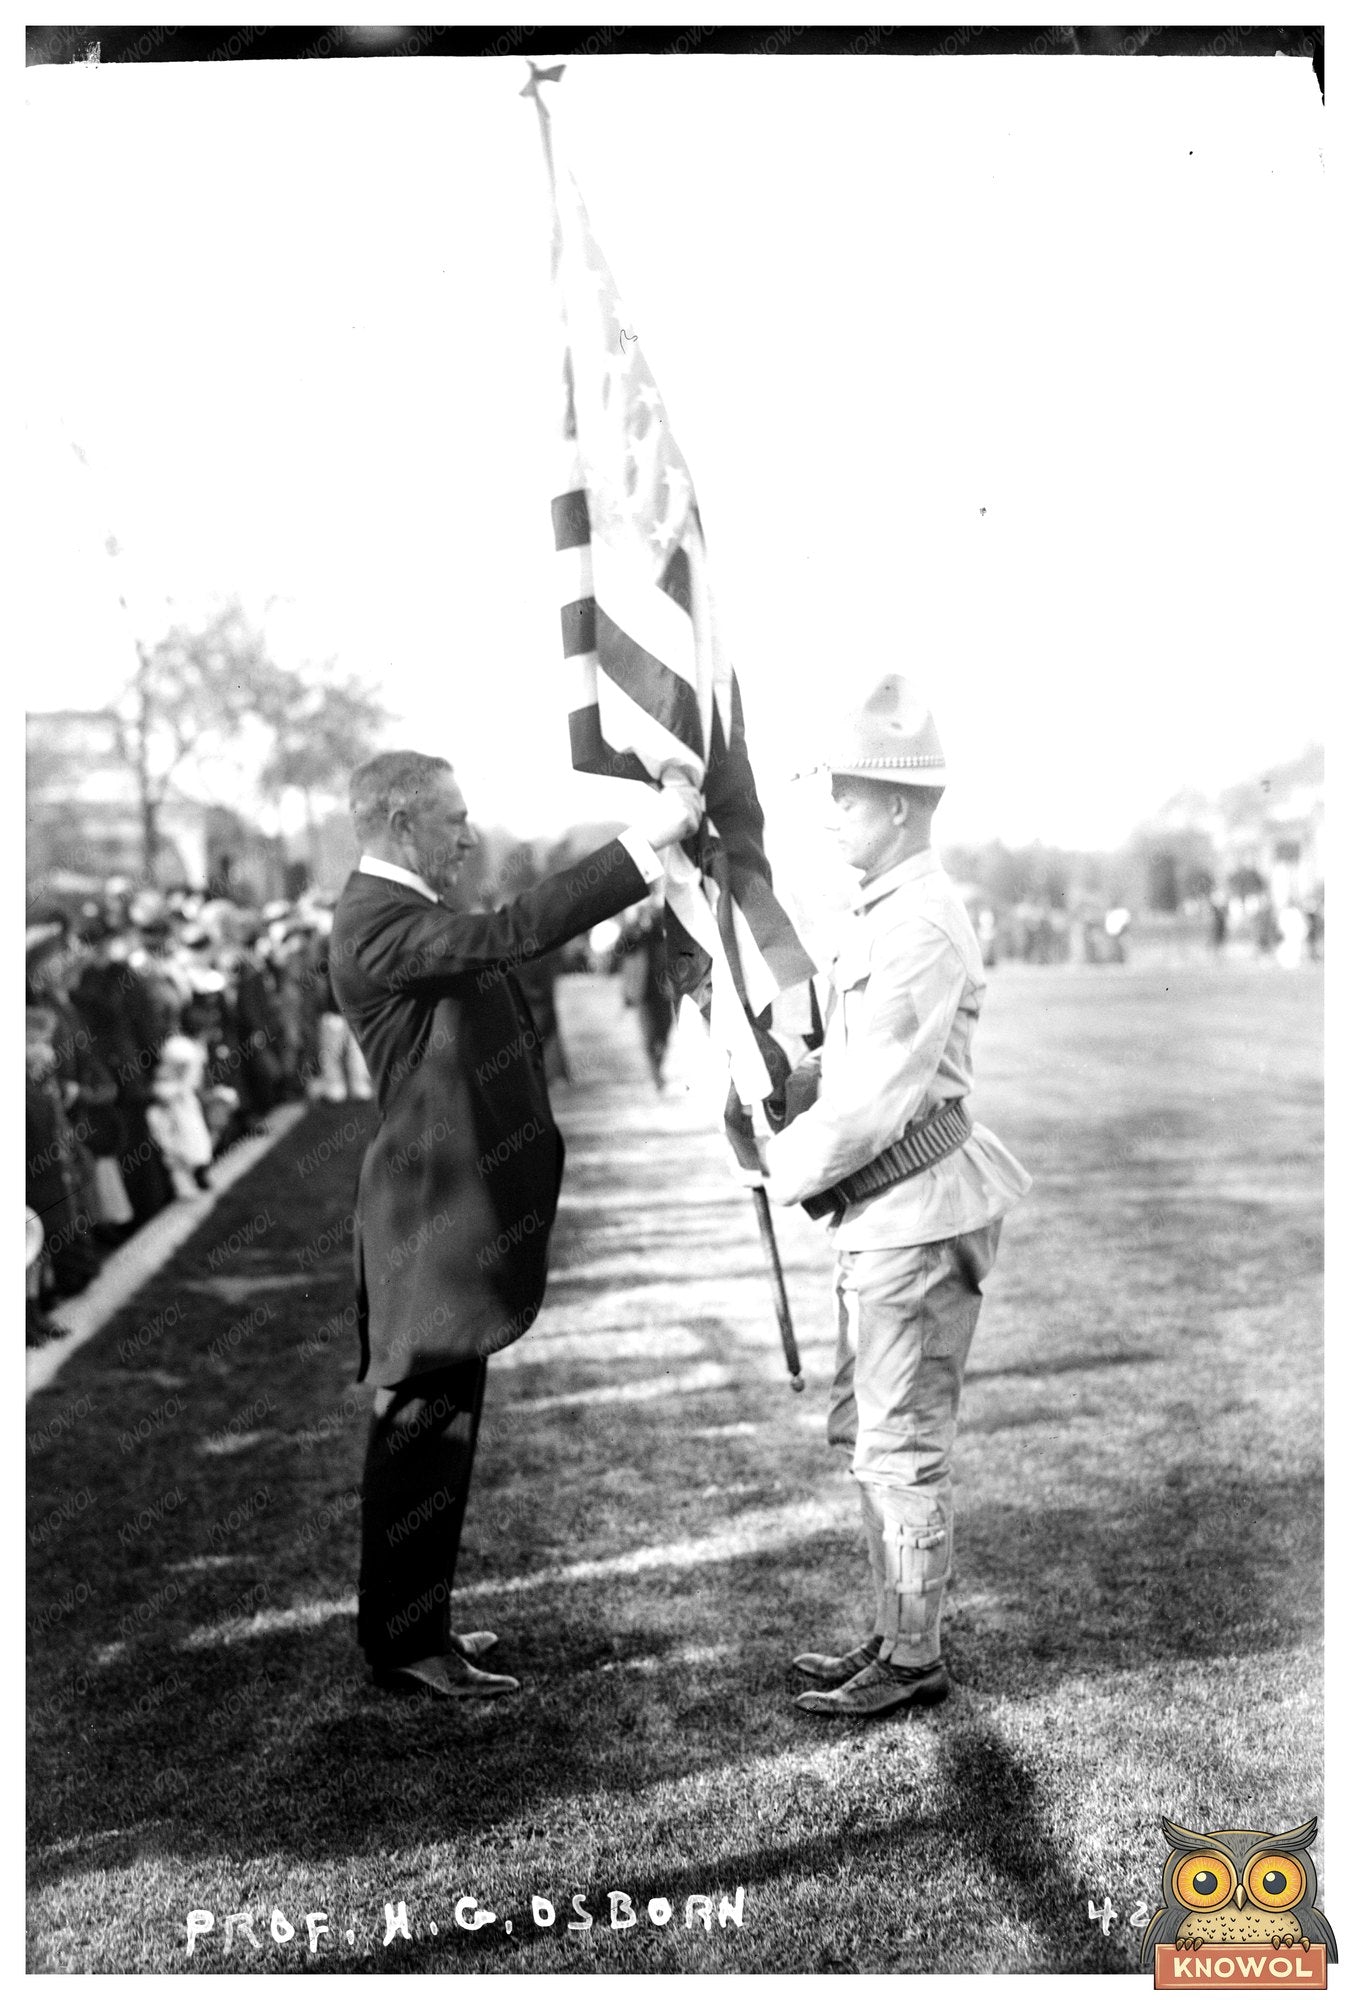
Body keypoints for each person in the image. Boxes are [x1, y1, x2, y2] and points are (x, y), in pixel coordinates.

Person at [329, 749, 697, 1701]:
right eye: (452, 816)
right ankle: (407, 1644)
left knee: (437, 1435)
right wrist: (645, 842)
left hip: (445, 1226)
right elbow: (516, 932)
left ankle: (418, 1625)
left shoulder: (403, 913)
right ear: (404, 826)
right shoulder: (377, 920)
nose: (468, 831)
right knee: (422, 1441)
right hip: (428, 1229)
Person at [749, 675, 1032, 1719]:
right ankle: (893, 1630)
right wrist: (779, 1084)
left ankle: (913, 1655)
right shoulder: (884, 911)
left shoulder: (918, 924)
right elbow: (849, 1070)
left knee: (898, 1439)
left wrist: (782, 1164)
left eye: (848, 799)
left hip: (914, 1210)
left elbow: (877, 1104)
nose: (831, 817)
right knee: (872, 1431)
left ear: (901, 807)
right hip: (889, 1210)